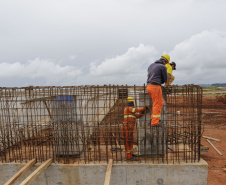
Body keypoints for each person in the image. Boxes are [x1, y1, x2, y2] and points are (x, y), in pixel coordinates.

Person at [146, 54, 168, 126]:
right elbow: (165, 79)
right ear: (165, 61)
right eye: (166, 63)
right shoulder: (163, 67)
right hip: (155, 86)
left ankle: (153, 118)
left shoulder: (151, 65)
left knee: (158, 102)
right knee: (158, 104)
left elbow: (149, 75)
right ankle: (155, 122)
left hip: (149, 86)